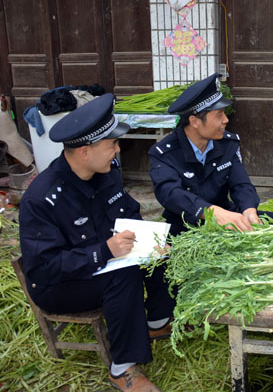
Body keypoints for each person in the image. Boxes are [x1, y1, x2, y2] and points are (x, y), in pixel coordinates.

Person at [19, 94, 176, 392]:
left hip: (103, 260)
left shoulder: (106, 172)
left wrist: (149, 240)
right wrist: (105, 251)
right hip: (60, 285)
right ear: (84, 152)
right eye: (112, 145)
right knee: (122, 275)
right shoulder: (43, 198)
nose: (118, 151)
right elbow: (46, 267)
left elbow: (128, 210)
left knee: (162, 250)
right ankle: (122, 369)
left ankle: (156, 323)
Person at [148, 74, 273, 236]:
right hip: (187, 225)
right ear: (194, 121)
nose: (226, 120)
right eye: (219, 114)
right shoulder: (164, 153)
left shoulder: (226, 143)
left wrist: (249, 210)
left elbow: (241, 185)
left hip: (228, 217)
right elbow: (171, 194)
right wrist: (211, 213)